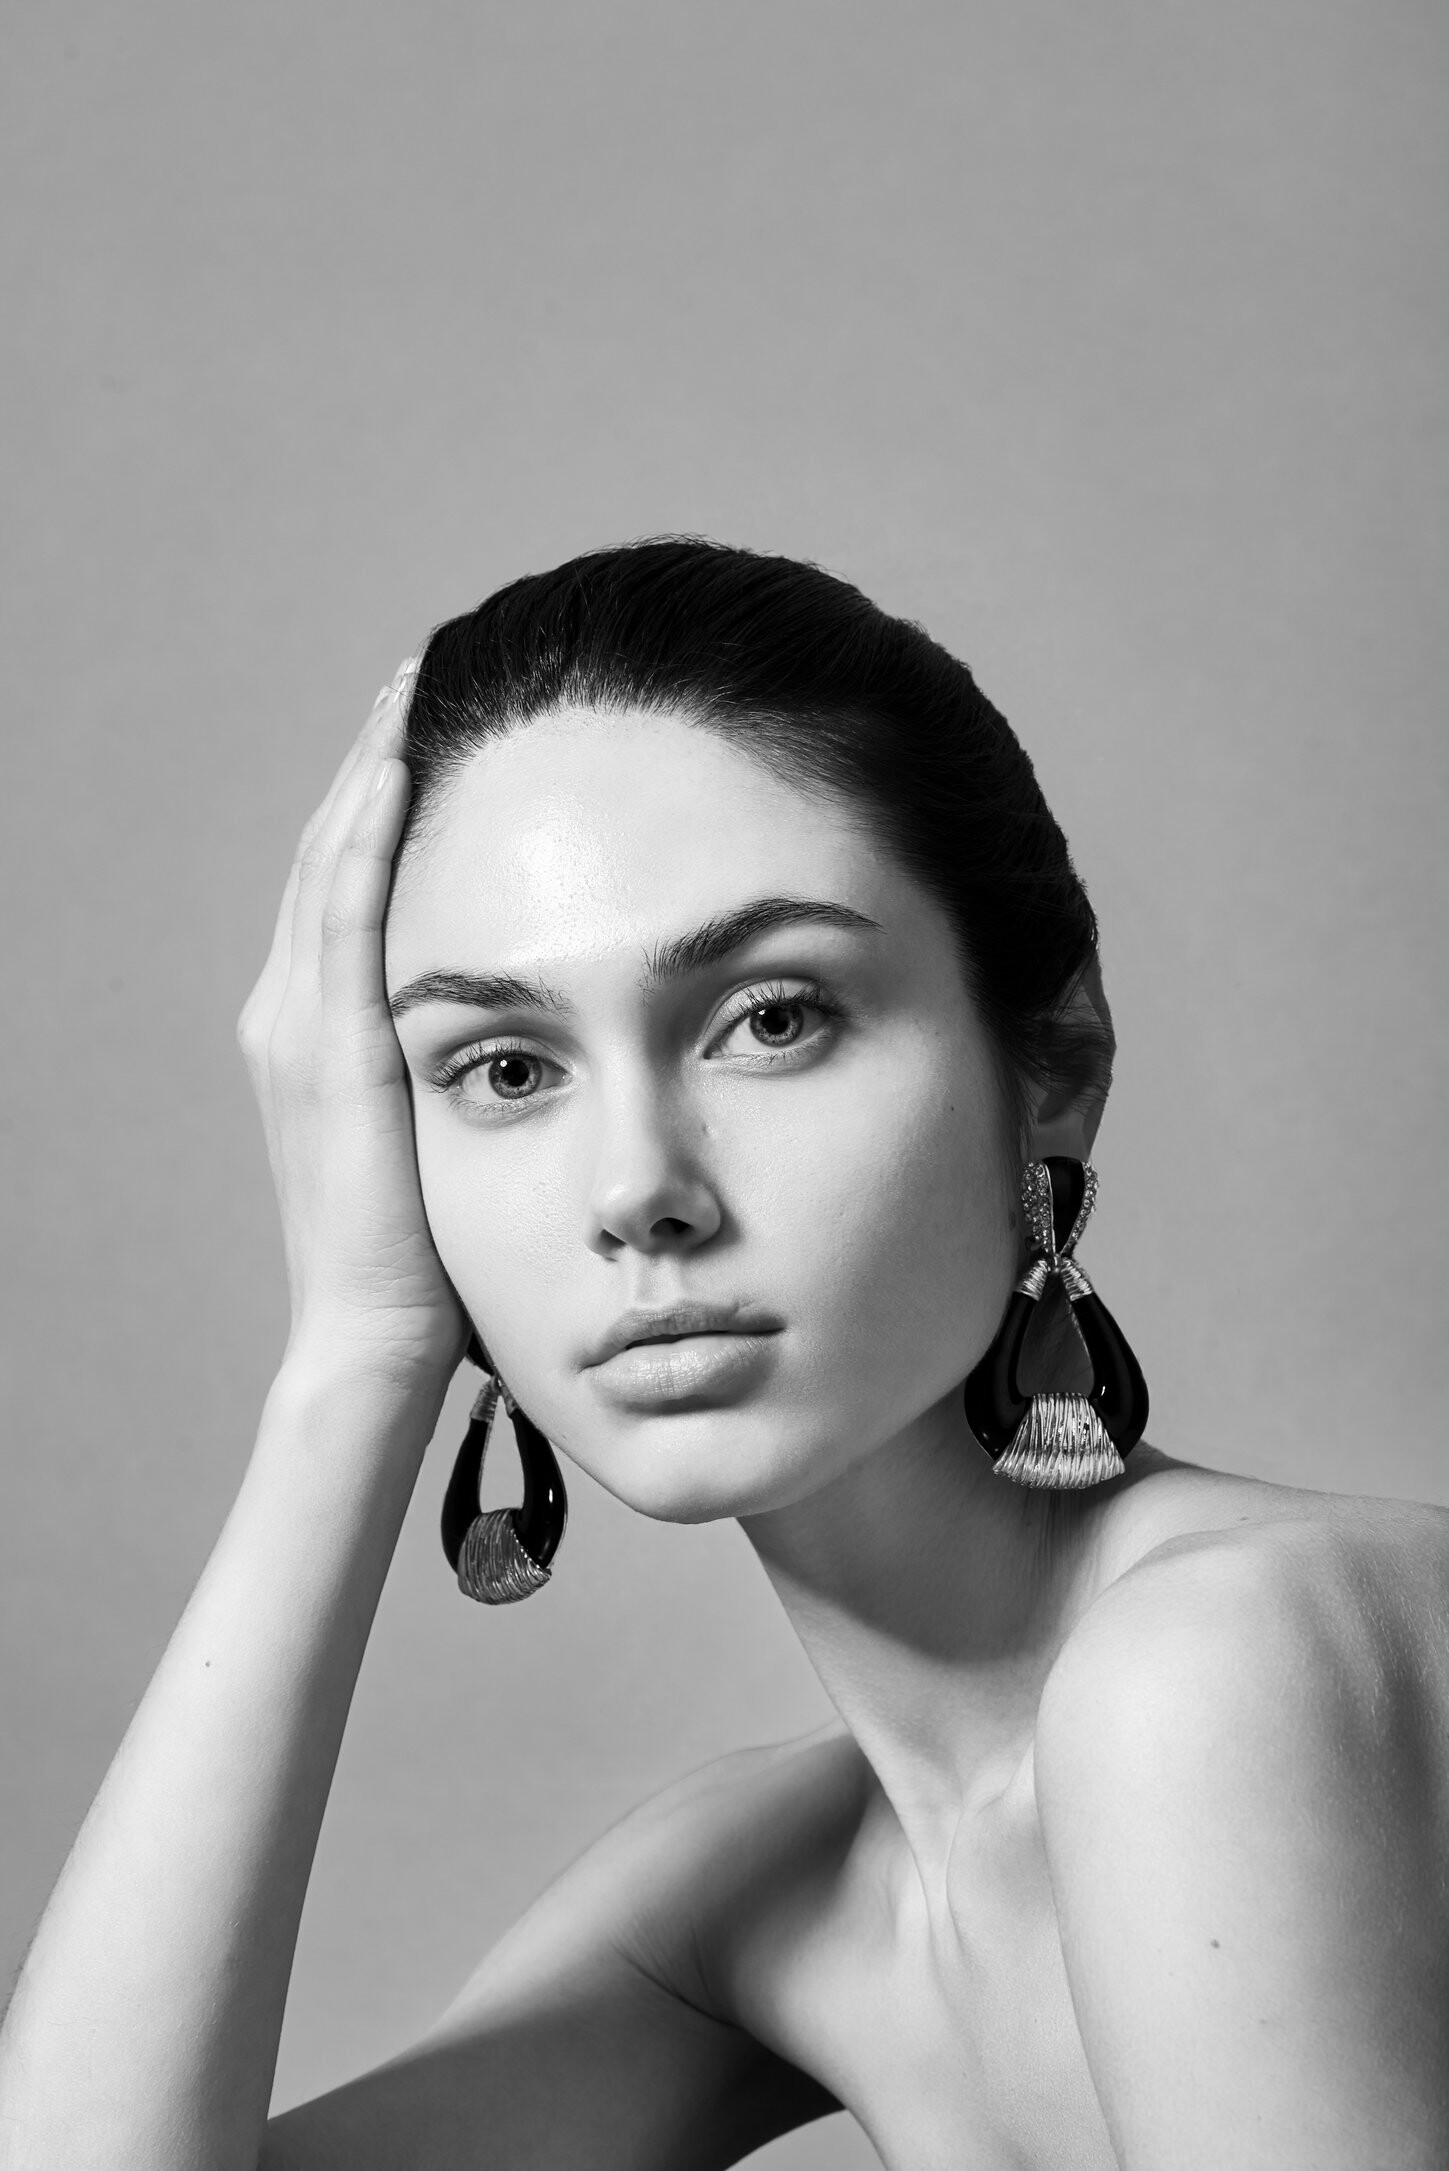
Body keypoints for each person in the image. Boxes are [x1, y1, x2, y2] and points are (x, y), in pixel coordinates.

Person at [2, 539, 1446, 2170]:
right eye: (502, 1069)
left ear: (1050, 1061)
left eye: (771, 1018)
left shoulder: (1219, 1658)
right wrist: (358, 1351)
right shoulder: (774, 1896)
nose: (635, 1190)